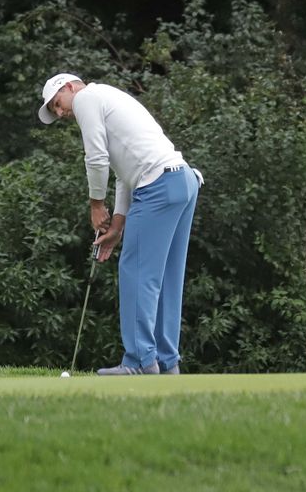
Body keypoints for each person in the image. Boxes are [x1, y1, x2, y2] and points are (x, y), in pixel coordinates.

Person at [38, 73, 201, 376]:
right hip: (183, 181)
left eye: (57, 104)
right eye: (55, 112)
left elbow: (96, 158)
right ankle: (166, 363)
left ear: (69, 87)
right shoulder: (108, 98)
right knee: (165, 279)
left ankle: (140, 361)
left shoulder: (86, 98)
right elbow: (125, 174)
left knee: (136, 272)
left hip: (158, 186)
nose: (60, 113)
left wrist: (96, 205)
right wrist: (117, 225)